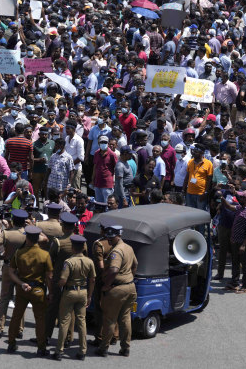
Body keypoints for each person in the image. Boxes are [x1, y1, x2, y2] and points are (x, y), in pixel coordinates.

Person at [6, 225, 53, 356]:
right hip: (38, 290)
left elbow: (11, 272)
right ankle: (41, 347)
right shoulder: (45, 254)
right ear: (38, 239)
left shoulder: (19, 253)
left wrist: (21, 283)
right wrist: (51, 292)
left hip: (22, 289)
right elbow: (49, 276)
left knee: (16, 316)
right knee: (40, 319)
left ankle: (11, 343)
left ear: (27, 238)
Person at [95, 225, 138, 358]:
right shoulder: (128, 248)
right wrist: (129, 277)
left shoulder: (116, 251)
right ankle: (125, 348)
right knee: (125, 319)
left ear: (118, 235)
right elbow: (135, 265)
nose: (109, 240)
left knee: (110, 319)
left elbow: (113, 270)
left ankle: (103, 348)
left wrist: (107, 285)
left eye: (111, 237)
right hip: (130, 287)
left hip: (117, 288)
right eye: (108, 237)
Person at [51, 234, 96, 361]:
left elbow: (63, 280)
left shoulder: (69, 262)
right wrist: (90, 295)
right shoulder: (89, 261)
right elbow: (92, 280)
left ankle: (59, 351)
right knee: (82, 322)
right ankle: (82, 351)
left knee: (65, 321)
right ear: (83, 247)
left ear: (72, 247)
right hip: (83, 292)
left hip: (70, 292)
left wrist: (56, 285)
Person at [0, 209, 28, 339]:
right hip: (23, 269)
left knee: (5, 298)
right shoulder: (28, 234)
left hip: (8, 265)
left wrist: (0, 256)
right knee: (20, 299)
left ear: (13, 220)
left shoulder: (6, 234)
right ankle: (19, 329)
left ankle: (0, 328)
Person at [45, 212, 81, 344]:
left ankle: (46, 336)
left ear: (63, 226)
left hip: (58, 280)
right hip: (74, 281)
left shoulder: (58, 242)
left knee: (52, 309)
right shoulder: (80, 241)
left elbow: (50, 261)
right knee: (69, 312)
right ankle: (68, 338)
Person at [223, 190, 246, 293]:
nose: (239, 198)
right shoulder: (240, 208)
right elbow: (229, 207)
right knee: (235, 262)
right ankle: (235, 282)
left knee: (245, 264)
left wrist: (244, 244)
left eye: (241, 197)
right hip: (235, 241)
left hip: (243, 243)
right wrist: (222, 199)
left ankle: (244, 286)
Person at [183, 144, 212, 211]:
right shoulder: (190, 162)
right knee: (190, 212)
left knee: (200, 213)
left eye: (196, 152)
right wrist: (183, 189)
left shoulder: (208, 163)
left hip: (200, 194)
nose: (194, 153)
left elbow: (209, 180)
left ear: (201, 153)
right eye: (194, 151)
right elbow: (187, 176)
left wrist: (205, 193)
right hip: (189, 192)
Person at [92, 135, 117, 203]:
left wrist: (114, 181)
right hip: (97, 183)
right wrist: (92, 180)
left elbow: (116, 168)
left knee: (108, 204)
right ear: (98, 143)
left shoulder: (112, 154)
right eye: (101, 142)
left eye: (105, 142)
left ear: (108, 143)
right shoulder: (96, 153)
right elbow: (95, 167)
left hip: (107, 184)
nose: (103, 144)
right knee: (98, 204)